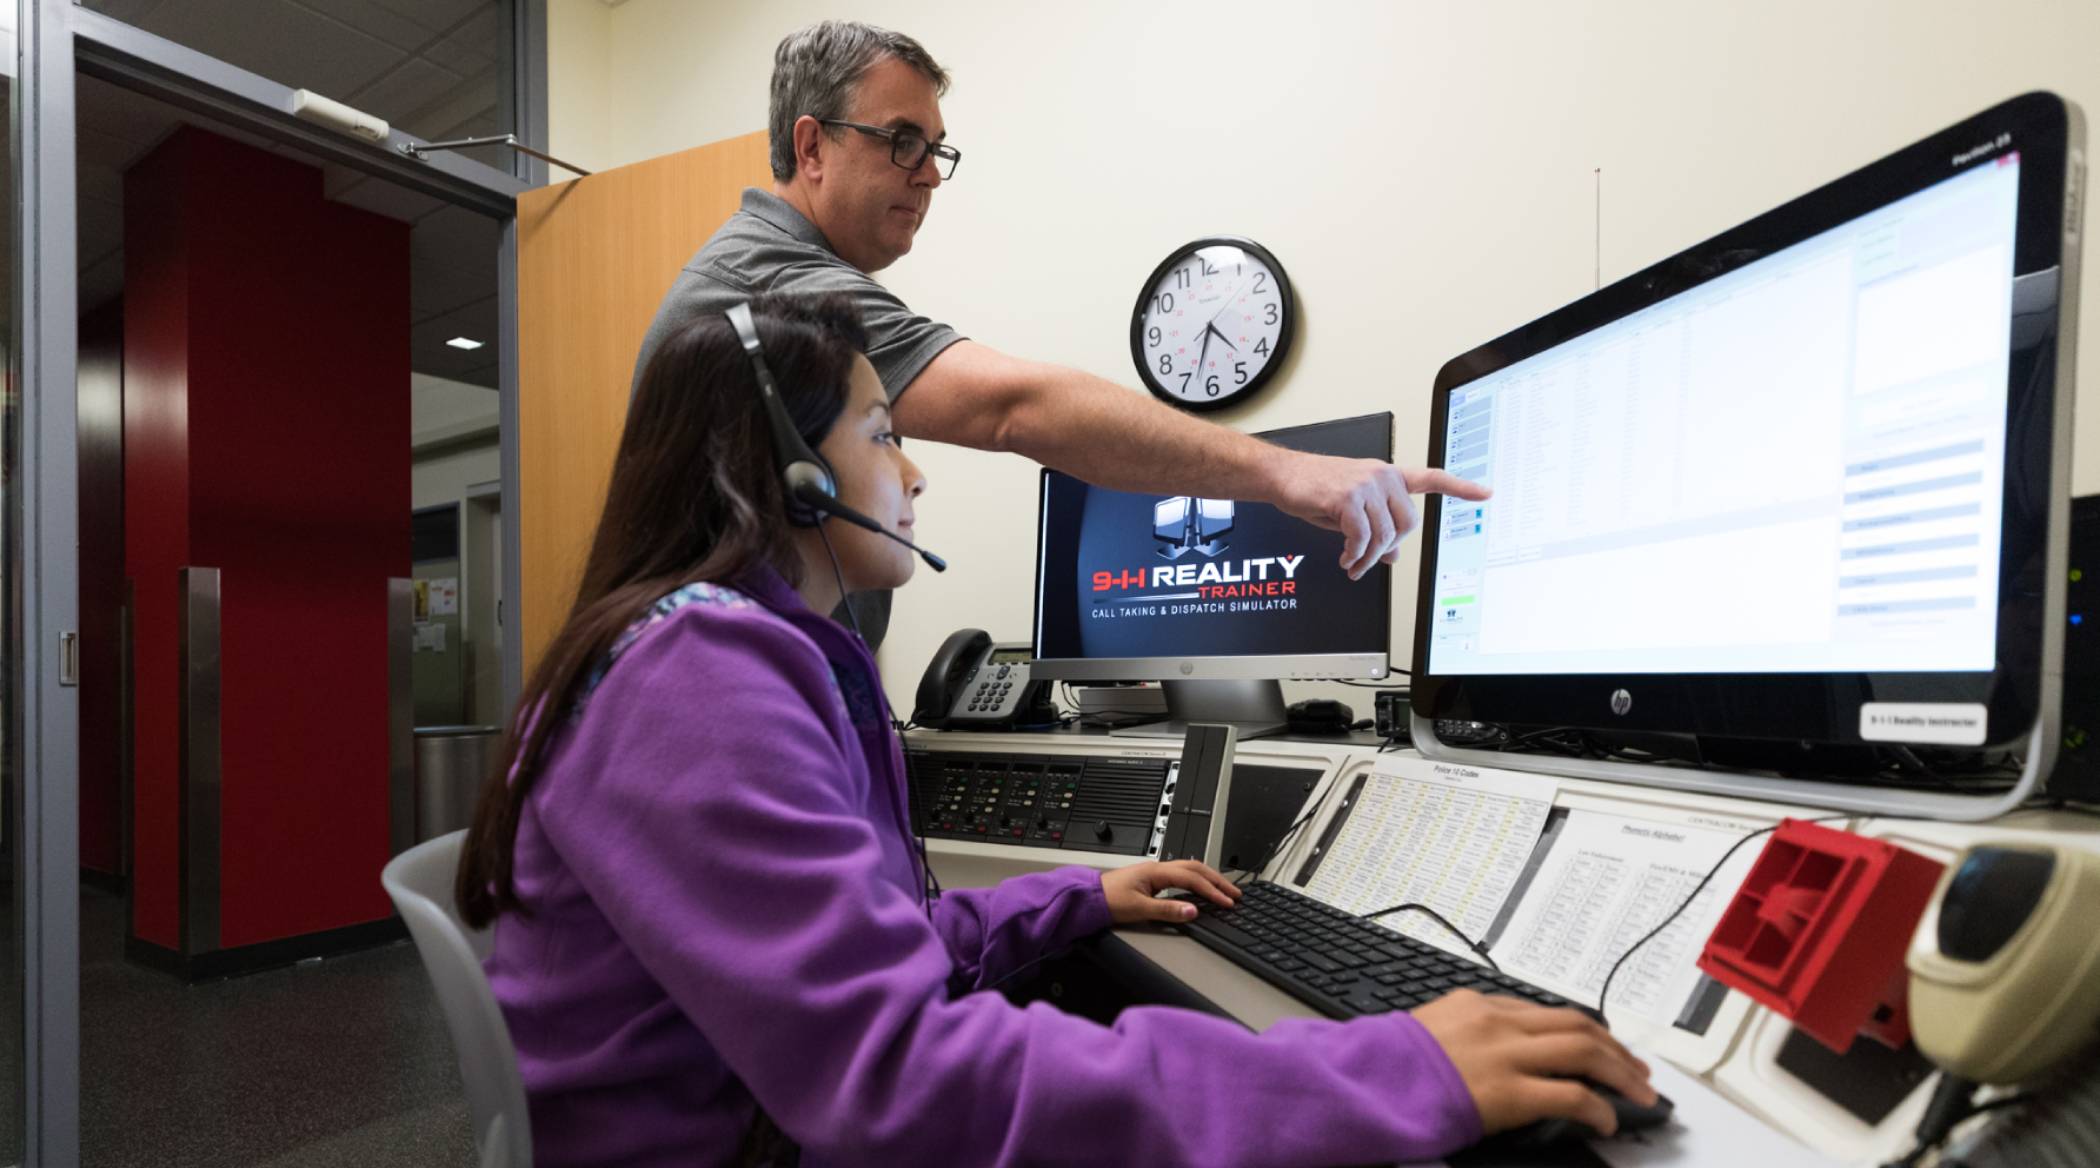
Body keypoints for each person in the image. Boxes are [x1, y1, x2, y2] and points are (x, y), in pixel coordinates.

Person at [463, 294, 1655, 1167]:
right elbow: (905, 1081)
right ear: (790, 475)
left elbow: (884, 950)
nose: (915, 475)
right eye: (884, 435)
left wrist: (1080, 898)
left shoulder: (728, 656)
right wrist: (1402, 1065)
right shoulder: (696, 676)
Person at [634, 20, 1490, 643]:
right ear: (811, 146)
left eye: (937, 148)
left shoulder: (780, 274)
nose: (931, 174)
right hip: (723, 700)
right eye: (902, 141)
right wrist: (1285, 472)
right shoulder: (772, 284)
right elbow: (1014, 407)